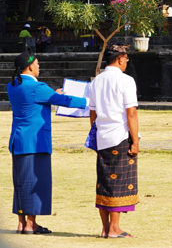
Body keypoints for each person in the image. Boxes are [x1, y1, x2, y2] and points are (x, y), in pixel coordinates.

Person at [7, 51, 88, 235]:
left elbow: (43, 98)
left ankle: (21, 222)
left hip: (18, 140)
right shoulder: (37, 87)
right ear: (30, 67)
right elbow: (64, 100)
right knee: (35, 181)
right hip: (35, 141)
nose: (39, 66)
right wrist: (90, 101)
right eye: (37, 64)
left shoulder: (12, 85)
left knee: (20, 182)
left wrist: (52, 94)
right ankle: (31, 224)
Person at [90, 43, 140, 239]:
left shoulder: (96, 81)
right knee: (119, 182)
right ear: (120, 59)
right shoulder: (126, 81)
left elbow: (92, 112)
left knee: (103, 182)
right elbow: (132, 113)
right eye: (126, 59)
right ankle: (114, 228)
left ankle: (105, 227)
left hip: (103, 136)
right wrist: (135, 142)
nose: (126, 62)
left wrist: (97, 131)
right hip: (120, 136)